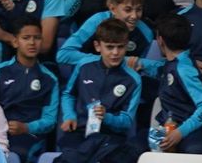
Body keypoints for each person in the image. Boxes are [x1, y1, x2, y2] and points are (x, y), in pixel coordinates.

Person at [0, 19, 60, 163]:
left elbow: (50, 120)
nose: (32, 43)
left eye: (37, 38)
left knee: (18, 158)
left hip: (31, 138)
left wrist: (26, 127)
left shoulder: (50, 79)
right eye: (26, 38)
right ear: (15, 41)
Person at [58, 17, 141, 150]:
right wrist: (69, 116)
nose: (115, 53)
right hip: (79, 131)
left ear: (127, 46)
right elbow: (68, 94)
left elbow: (127, 120)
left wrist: (106, 117)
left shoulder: (133, 80)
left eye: (120, 47)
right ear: (98, 46)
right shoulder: (84, 66)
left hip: (111, 138)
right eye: (109, 47)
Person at [150, 14, 202, 154]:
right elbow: (154, 66)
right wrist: (134, 62)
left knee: (192, 154)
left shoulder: (184, 69)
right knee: (138, 149)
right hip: (167, 128)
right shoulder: (172, 64)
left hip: (190, 133)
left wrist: (180, 132)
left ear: (160, 40)